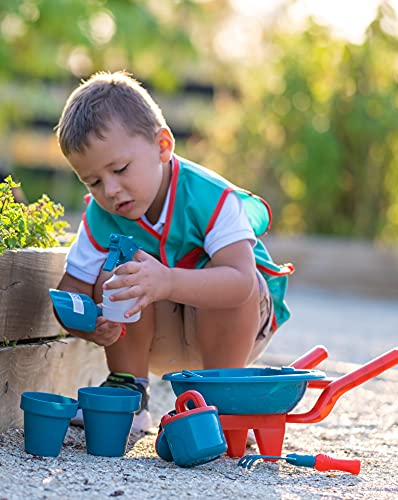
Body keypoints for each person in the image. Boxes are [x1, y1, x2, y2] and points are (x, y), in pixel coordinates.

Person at [54, 71, 293, 432]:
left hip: (233, 328)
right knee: (116, 274)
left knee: (234, 277)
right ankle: (129, 395)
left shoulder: (210, 199)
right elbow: (71, 288)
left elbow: (242, 282)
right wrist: (89, 323)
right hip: (156, 339)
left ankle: (221, 402)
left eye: (120, 169)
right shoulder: (101, 217)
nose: (112, 190)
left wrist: (165, 281)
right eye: (94, 182)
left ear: (163, 146)